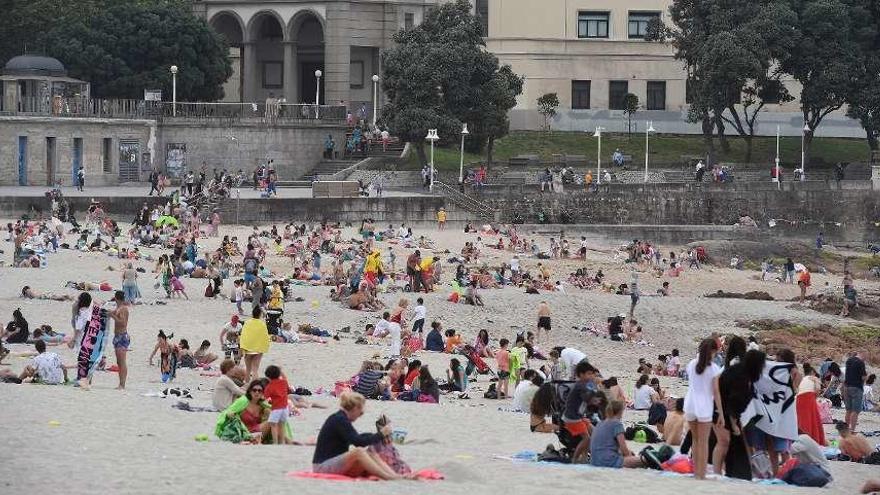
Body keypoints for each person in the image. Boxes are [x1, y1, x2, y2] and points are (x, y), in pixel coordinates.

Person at [312, 391, 402, 480]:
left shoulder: (340, 418)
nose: (360, 416)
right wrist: (381, 434)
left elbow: (355, 437)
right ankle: (388, 477)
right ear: (355, 408)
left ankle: (394, 475)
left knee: (370, 452)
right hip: (322, 467)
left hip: (331, 464)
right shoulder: (339, 420)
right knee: (359, 452)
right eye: (361, 412)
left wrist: (376, 435)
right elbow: (358, 442)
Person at [713, 338, 766, 479]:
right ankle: (717, 473)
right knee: (723, 442)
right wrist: (733, 422)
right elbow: (734, 401)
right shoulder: (741, 376)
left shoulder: (739, 371)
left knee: (728, 443)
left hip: (724, 410)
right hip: (722, 411)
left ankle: (723, 472)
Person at [683, 338, 720, 480]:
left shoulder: (691, 364)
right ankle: (701, 473)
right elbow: (716, 392)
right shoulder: (714, 369)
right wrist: (721, 413)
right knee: (703, 441)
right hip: (704, 406)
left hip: (690, 404)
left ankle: (695, 471)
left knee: (695, 440)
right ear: (712, 351)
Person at [562, 361, 602, 462]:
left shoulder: (585, 385)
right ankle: (575, 459)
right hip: (572, 418)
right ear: (581, 374)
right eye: (589, 374)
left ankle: (586, 457)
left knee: (593, 431)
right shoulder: (581, 385)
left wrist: (595, 399)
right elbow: (587, 398)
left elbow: (587, 400)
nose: (591, 376)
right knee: (587, 438)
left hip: (578, 416)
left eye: (592, 374)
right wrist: (594, 390)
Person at [590, 400, 646, 468]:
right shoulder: (617, 424)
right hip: (609, 461)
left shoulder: (599, 424)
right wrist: (630, 456)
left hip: (595, 461)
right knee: (644, 460)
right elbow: (623, 449)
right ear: (620, 411)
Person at [796, 363, 826, 446]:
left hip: (799, 399)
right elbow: (817, 390)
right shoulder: (814, 378)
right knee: (813, 419)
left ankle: (802, 439)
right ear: (812, 372)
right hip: (808, 398)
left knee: (803, 420)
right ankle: (813, 439)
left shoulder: (802, 379)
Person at [107, 291, 130, 390]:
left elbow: (123, 323)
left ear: (116, 298)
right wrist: (109, 313)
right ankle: (120, 383)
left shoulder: (123, 309)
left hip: (122, 337)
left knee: (122, 362)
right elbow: (115, 313)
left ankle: (122, 384)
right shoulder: (119, 308)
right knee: (119, 362)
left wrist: (113, 316)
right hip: (117, 337)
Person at [240, 306, 270, 382]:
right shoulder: (262, 324)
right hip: (258, 349)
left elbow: (243, 336)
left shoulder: (247, 323)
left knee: (248, 370)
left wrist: (242, 347)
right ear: (260, 314)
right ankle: (255, 386)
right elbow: (265, 337)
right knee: (255, 369)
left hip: (248, 348)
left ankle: (246, 385)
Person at [264, 365, 291, 445]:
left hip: (276, 408)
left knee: (273, 425)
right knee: (282, 425)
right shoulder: (284, 382)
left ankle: (275, 442)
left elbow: (265, 397)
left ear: (268, 376)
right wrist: (281, 371)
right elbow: (285, 377)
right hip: (285, 408)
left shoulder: (269, 386)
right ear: (279, 374)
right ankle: (281, 441)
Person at [844, 351, 867, 432]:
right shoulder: (861, 362)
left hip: (847, 387)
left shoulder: (848, 360)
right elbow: (863, 377)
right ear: (862, 354)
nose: (865, 359)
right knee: (855, 410)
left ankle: (846, 429)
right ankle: (852, 430)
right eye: (866, 357)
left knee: (848, 410)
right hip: (856, 387)